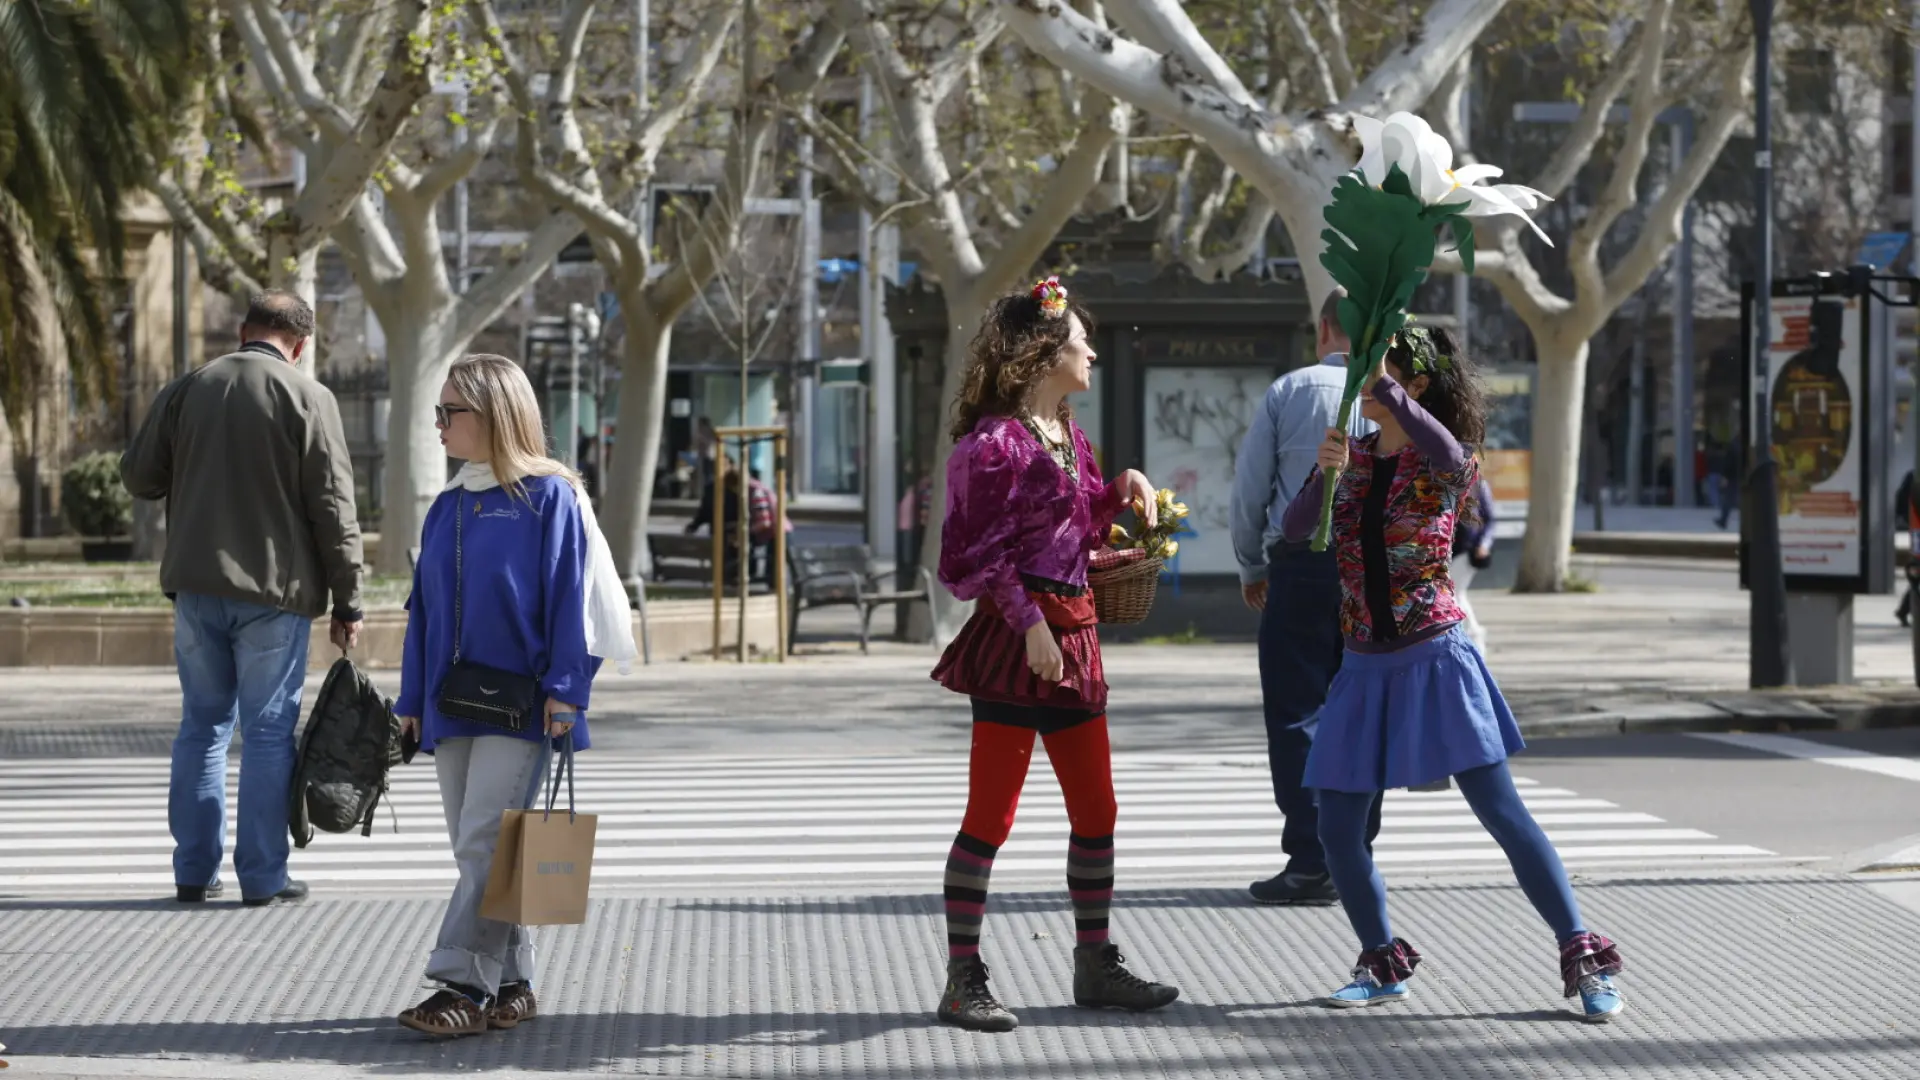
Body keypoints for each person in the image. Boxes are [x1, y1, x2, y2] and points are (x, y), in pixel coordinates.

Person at [1282, 325, 1625, 1022]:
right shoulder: (1355, 459)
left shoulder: (1448, 461)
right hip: (1362, 665)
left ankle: (1583, 954)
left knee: (1501, 813)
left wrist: (1376, 380)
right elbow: (1294, 532)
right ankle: (1380, 960)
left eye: (1385, 375)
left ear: (1415, 385)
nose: (1366, 387)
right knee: (1336, 828)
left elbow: (1446, 451)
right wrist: (1324, 472)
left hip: (1437, 660)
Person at [927, 276, 1179, 1032]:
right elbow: (974, 555)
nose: (1093, 352)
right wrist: (1029, 623)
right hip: (1016, 643)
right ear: (1042, 355)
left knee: (1098, 808)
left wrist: (1118, 491)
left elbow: (1073, 534)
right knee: (991, 817)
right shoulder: (991, 445)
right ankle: (961, 978)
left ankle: (1095, 963)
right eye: (1081, 342)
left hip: (1074, 637)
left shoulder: (1069, 435)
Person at [393, 354, 637, 1036]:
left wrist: (566, 691)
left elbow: (574, 603)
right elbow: (424, 614)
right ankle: (516, 981)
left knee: (484, 843)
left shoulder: (551, 497)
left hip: (525, 704)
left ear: (494, 415)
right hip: (449, 703)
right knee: (484, 850)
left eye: (451, 412)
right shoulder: (446, 506)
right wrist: (408, 701)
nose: (438, 424)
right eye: (437, 412)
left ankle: (459, 985)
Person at [120, 290, 363, 909]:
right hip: (274, 594)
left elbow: (138, 477)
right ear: (301, 344)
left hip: (197, 588)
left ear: (241, 330)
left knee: (201, 728)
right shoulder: (310, 397)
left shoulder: (188, 387)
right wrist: (348, 600)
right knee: (267, 733)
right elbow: (334, 510)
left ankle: (193, 871)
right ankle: (262, 876)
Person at [1228, 288, 1383, 907]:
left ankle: (1310, 857)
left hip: (1301, 567)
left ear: (1323, 331)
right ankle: (1357, 847)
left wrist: (1249, 565)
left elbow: (1250, 488)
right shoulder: (1391, 397)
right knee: (1364, 709)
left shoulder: (1289, 392)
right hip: (1372, 573)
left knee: (1297, 713)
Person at [1451, 470, 1496, 652]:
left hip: (1468, 549)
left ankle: (1474, 635)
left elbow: (1490, 519)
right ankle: (1471, 635)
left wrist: (1484, 544)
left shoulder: (1478, 484)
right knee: (1455, 593)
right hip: (1448, 549)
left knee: (1455, 593)